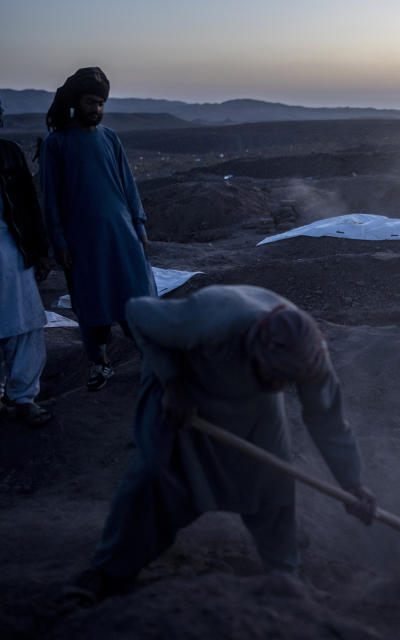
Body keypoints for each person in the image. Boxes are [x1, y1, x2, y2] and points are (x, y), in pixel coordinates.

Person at [66, 285, 377, 604]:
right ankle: (110, 571)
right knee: (155, 480)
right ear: (258, 348)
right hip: (185, 396)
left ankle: (284, 576)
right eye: (278, 377)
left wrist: (352, 483)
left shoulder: (310, 356)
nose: (284, 386)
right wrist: (171, 382)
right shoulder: (213, 319)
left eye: (289, 383)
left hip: (256, 406)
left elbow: (327, 418)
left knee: (272, 483)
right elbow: (137, 313)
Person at [40, 67, 156, 391]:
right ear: (77, 101)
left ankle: (152, 359)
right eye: (92, 102)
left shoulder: (110, 138)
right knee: (92, 303)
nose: (97, 109)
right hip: (83, 242)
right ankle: (99, 364)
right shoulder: (56, 143)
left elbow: (129, 186)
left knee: (136, 297)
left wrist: (139, 224)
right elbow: (51, 198)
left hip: (123, 236)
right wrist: (59, 241)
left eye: (102, 103)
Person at [0, 100, 53, 426]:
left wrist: (40, 250)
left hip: (11, 252)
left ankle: (22, 397)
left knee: (26, 326)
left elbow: (29, 206)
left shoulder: (9, 154)